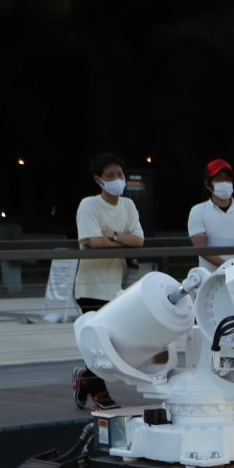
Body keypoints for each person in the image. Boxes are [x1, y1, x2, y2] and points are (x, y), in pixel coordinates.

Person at [71, 152, 144, 409]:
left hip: (115, 286)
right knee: (97, 343)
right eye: (110, 176)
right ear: (98, 180)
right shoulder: (88, 205)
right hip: (90, 285)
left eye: (120, 175)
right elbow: (92, 241)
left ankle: (84, 378)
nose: (117, 180)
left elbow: (139, 240)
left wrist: (112, 234)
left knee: (113, 343)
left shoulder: (128, 206)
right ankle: (100, 394)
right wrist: (120, 238)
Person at [188, 158, 234, 272]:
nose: (224, 183)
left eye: (227, 179)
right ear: (208, 184)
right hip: (210, 279)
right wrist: (228, 267)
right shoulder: (197, 211)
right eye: (218, 179)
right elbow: (201, 248)